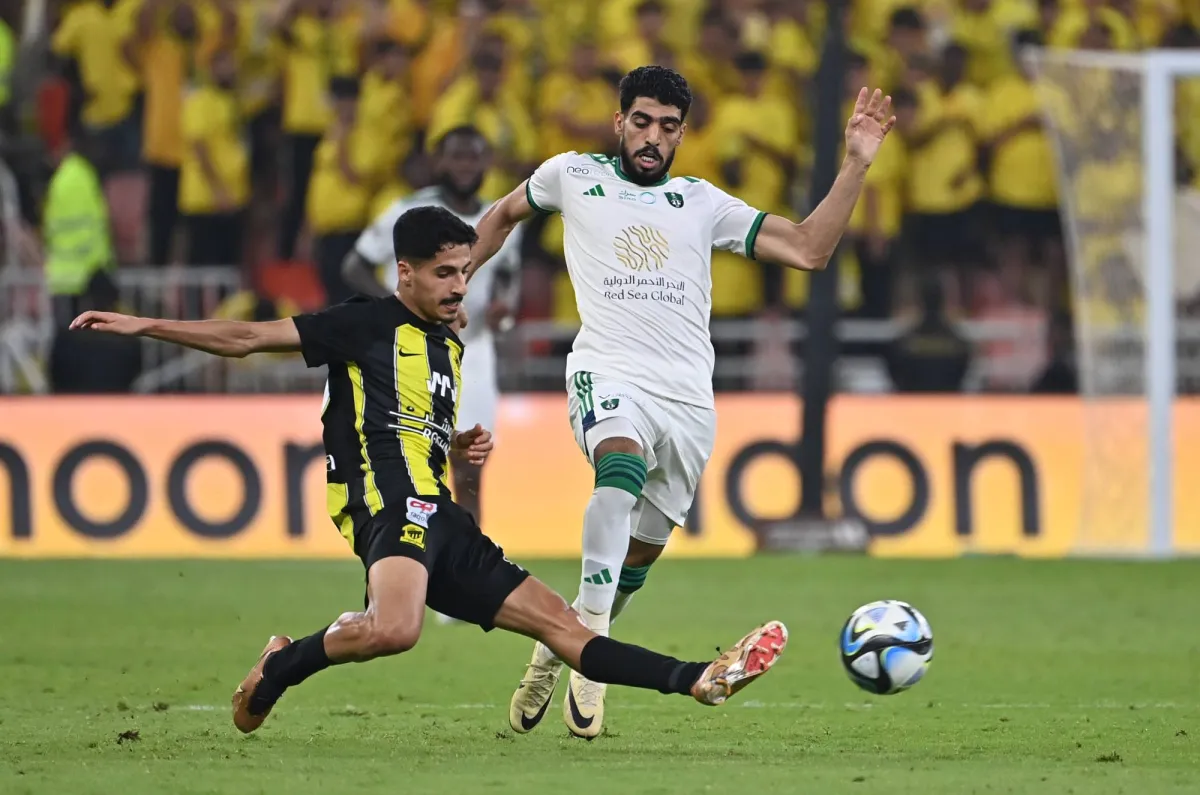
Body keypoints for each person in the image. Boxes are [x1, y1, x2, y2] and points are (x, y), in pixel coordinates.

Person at [68, 205, 788, 736]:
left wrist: (457, 453)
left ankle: (698, 679)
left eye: (465, 272)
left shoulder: (448, 346)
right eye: (444, 273)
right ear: (404, 272)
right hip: (387, 506)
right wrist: (142, 324)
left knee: (563, 628)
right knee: (398, 628)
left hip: (439, 515)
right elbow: (249, 337)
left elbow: (414, 432)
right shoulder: (362, 323)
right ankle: (282, 664)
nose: (458, 286)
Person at [469, 65, 894, 738]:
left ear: (682, 134)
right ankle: (592, 658)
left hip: (689, 399)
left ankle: (558, 646)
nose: (652, 137)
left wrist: (856, 164)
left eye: (668, 127)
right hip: (608, 370)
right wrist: (460, 277)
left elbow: (809, 250)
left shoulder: (701, 202)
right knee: (619, 468)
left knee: (638, 557)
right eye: (641, 122)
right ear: (619, 122)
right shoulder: (570, 174)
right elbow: (501, 215)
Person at [343, 126, 521, 525]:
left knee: (470, 465)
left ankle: (468, 553)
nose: (465, 166)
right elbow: (355, 266)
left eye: (473, 157)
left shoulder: (502, 217)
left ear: (487, 163)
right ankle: (405, 548)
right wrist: (395, 311)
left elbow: (508, 274)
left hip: (472, 349)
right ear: (438, 161)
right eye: (456, 156)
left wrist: (504, 307)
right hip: (413, 349)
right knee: (411, 460)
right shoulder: (408, 211)